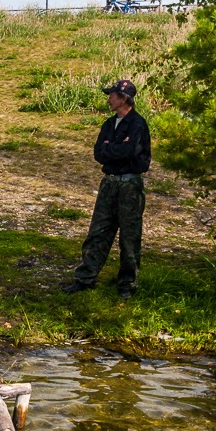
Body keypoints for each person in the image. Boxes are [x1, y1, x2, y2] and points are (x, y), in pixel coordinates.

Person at [62, 80, 151, 300]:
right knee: (98, 232)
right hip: (109, 183)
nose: (109, 98)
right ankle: (85, 279)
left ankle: (127, 284)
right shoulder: (109, 124)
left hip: (130, 185)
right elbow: (99, 153)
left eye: (112, 95)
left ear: (123, 98)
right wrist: (114, 150)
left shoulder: (138, 124)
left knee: (129, 236)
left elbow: (129, 152)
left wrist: (111, 149)